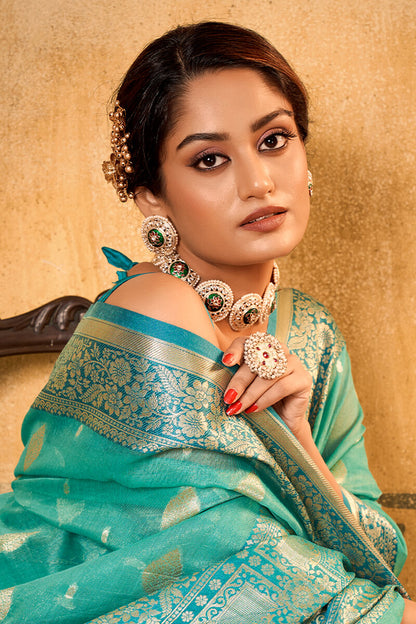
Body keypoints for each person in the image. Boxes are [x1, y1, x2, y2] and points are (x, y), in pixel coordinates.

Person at [0, 21, 414, 624]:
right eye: (210, 159)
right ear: (154, 196)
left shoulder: (311, 333)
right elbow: (232, 557)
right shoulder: (154, 311)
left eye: (274, 140)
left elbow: (382, 555)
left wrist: (297, 439)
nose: (258, 182)